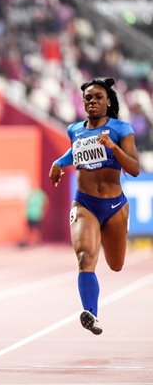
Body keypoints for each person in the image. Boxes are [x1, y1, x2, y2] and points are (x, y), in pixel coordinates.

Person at [49, 78, 140, 335]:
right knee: (85, 258)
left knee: (116, 264)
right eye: (88, 97)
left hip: (114, 206)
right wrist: (58, 162)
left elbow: (134, 168)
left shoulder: (122, 130)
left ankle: (92, 309)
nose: (92, 101)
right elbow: (74, 152)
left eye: (98, 97)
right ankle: (91, 313)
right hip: (84, 203)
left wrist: (113, 148)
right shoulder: (74, 129)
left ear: (108, 101)